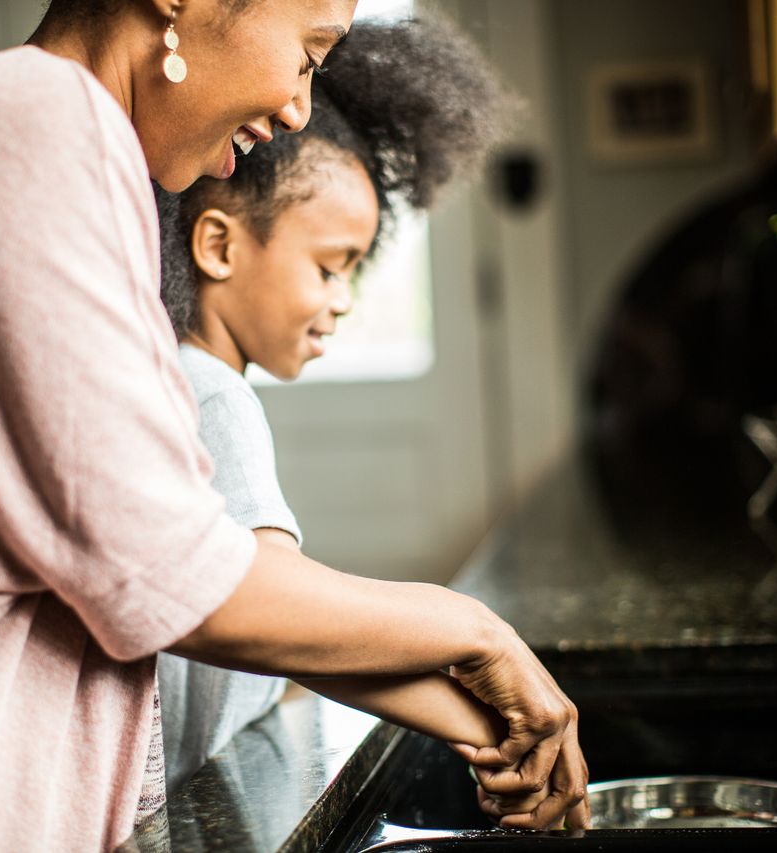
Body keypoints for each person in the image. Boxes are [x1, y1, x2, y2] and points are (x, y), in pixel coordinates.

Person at [0, 1, 587, 849]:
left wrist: (477, 716)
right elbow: (176, 573)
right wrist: (473, 631)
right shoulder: (35, 120)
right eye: (306, 55)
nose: (300, 108)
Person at [153, 16, 530, 803]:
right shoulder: (211, 393)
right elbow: (279, 618)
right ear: (217, 245)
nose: (342, 301)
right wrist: (478, 713)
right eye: (329, 268)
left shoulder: (175, 379)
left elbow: (281, 628)